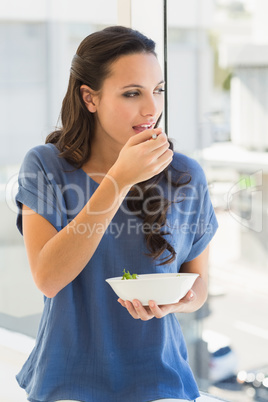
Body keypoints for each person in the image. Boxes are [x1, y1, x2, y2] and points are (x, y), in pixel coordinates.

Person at [15, 25, 218, 402]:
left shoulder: (185, 175)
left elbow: (199, 283)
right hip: (66, 378)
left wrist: (180, 302)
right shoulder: (44, 167)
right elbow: (47, 278)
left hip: (161, 379)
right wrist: (118, 180)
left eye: (157, 90)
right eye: (131, 93)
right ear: (90, 98)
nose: (151, 109)